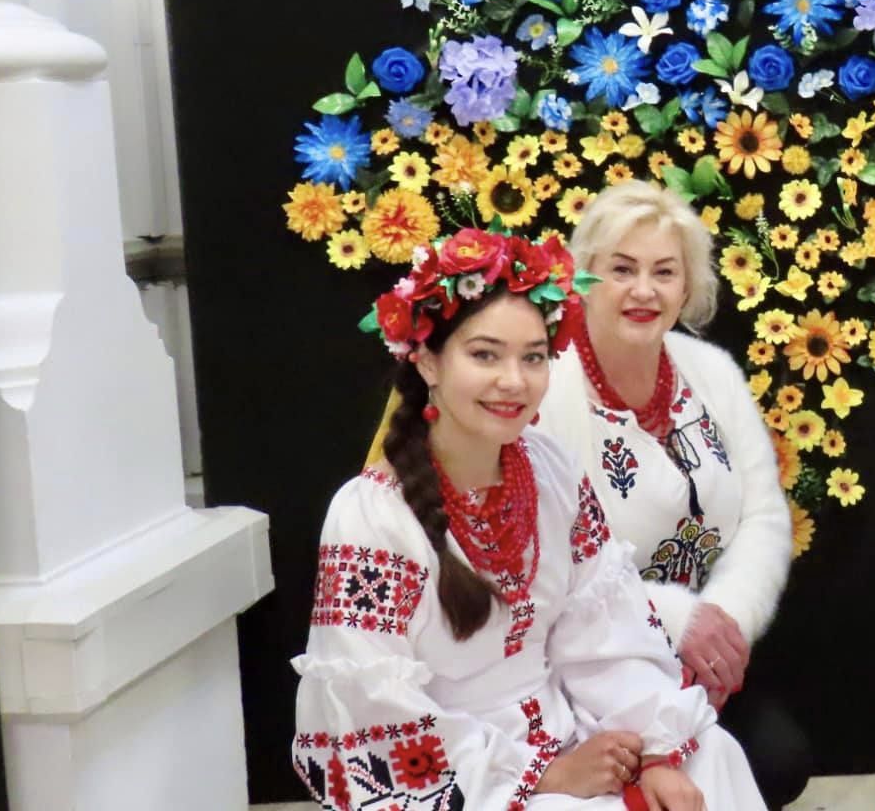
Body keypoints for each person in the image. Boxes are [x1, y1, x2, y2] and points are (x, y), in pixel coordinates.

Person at [292, 227, 767, 811]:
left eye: (534, 357)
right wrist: (542, 775)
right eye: (485, 354)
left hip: (568, 729)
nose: (513, 381)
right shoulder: (371, 516)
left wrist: (655, 749)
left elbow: (602, 636)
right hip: (462, 773)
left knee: (713, 755)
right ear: (427, 361)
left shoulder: (548, 472)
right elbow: (376, 717)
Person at [535, 181, 808, 807]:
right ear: (584, 278)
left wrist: (723, 627)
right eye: (622, 269)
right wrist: (676, 620)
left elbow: (764, 516)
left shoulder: (711, 370)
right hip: (584, 664)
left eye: (665, 272)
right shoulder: (546, 386)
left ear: (688, 288)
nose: (644, 290)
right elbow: (550, 568)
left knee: (778, 760)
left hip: (705, 659)